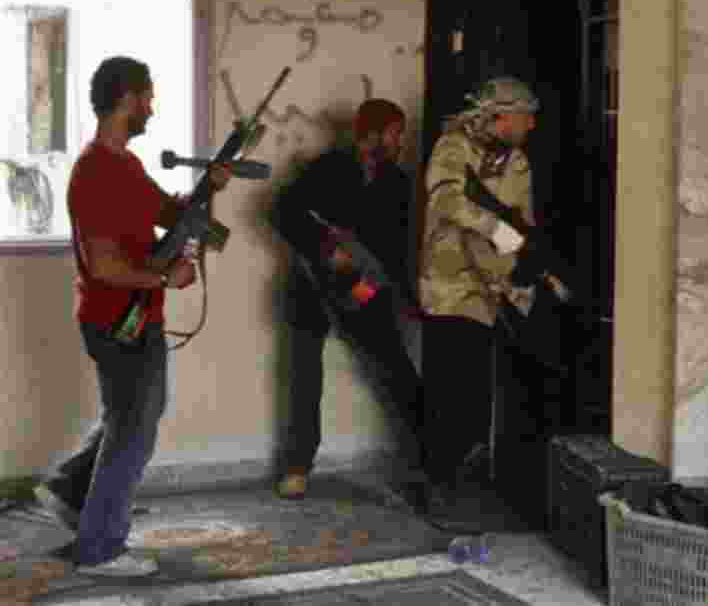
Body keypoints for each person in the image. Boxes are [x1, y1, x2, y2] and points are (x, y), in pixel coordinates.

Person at [33, 56, 232, 576]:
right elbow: (103, 266)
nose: (152, 108)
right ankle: (100, 547)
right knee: (133, 429)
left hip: (134, 317)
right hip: (117, 320)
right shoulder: (94, 172)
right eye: (147, 98)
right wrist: (166, 279)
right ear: (127, 99)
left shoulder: (124, 165)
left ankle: (70, 491)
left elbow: (169, 214)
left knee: (128, 416)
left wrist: (210, 186)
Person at [269, 98, 423, 501]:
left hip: (363, 287)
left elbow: (396, 250)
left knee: (397, 371)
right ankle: (297, 466)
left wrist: (396, 295)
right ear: (372, 134)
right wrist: (326, 249)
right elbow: (283, 212)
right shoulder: (328, 167)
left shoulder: (398, 183)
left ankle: (429, 462)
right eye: (394, 133)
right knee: (304, 378)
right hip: (311, 287)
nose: (399, 141)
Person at [418, 76, 541, 512]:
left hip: (492, 289)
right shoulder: (453, 148)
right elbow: (446, 201)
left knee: (476, 395)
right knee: (446, 392)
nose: (531, 125)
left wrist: (522, 270)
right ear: (500, 116)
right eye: (525, 116)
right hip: (450, 286)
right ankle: (436, 484)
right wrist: (495, 228)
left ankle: (462, 477)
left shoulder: (517, 161)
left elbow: (521, 223)